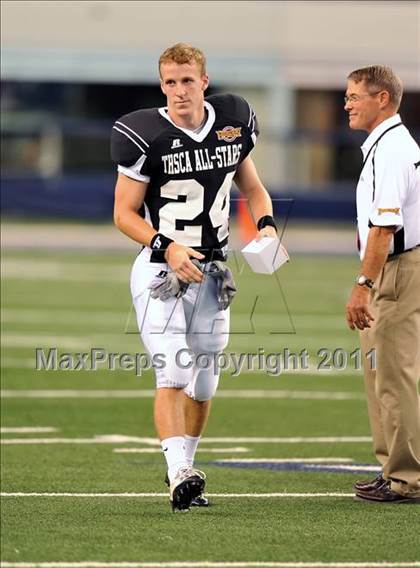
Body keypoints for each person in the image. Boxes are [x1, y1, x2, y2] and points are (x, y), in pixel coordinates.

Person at [111, 43, 277, 511]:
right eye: (169, 82)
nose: (178, 91)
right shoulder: (143, 132)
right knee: (174, 367)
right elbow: (123, 214)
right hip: (161, 270)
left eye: (187, 80)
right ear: (161, 85)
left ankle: (186, 467)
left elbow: (254, 189)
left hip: (213, 273)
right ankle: (178, 470)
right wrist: (167, 245)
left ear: (204, 81)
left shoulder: (233, 122)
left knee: (204, 382)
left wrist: (265, 228)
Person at [344, 65, 420, 503]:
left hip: (396, 271)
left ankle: (406, 477)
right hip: (393, 269)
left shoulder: (391, 149)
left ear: (383, 99)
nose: (348, 104)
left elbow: (383, 228)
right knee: (379, 373)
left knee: (392, 375)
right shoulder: (386, 145)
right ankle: (391, 468)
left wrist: (362, 284)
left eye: (356, 96)